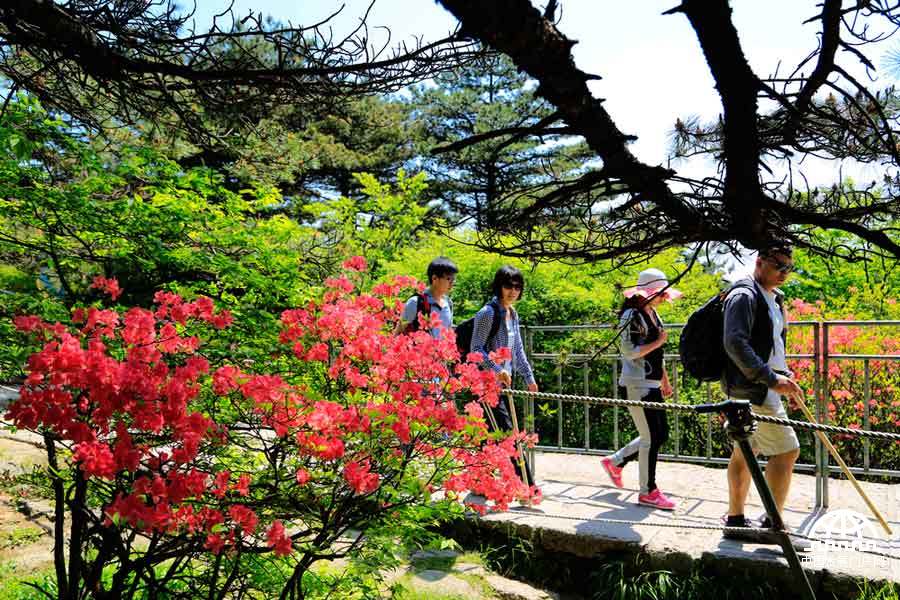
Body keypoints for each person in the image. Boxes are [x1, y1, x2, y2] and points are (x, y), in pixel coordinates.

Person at [720, 244, 804, 541]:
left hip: (758, 386)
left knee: (747, 451)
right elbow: (735, 343)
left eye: (788, 268)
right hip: (755, 390)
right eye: (779, 265)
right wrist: (771, 379)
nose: (783, 273)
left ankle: (735, 520)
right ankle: (772, 523)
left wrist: (783, 375)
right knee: (786, 450)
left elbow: (770, 347)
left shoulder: (771, 297)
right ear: (759, 260)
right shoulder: (744, 294)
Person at [601, 268, 682, 510]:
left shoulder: (653, 313)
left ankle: (616, 462)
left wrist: (665, 380)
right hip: (637, 384)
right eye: (659, 293)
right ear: (645, 293)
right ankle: (648, 491)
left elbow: (658, 352)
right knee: (651, 438)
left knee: (660, 434)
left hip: (653, 383)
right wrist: (658, 341)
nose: (663, 298)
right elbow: (628, 351)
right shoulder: (630, 316)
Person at [470, 265, 538, 485]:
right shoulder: (487, 313)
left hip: (504, 386)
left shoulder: (512, 313)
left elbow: (517, 349)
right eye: (508, 285)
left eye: (518, 286)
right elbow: (476, 349)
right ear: (499, 286)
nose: (513, 291)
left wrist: (529, 378)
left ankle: (481, 484)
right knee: (508, 434)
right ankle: (527, 487)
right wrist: (498, 371)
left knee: (489, 436)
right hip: (486, 386)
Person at [397, 257, 457, 338]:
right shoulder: (415, 302)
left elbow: (448, 333)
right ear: (434, 278)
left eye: (454, 279)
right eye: (449, 279)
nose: (452, 283)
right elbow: (399, 332)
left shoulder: (448, 303)